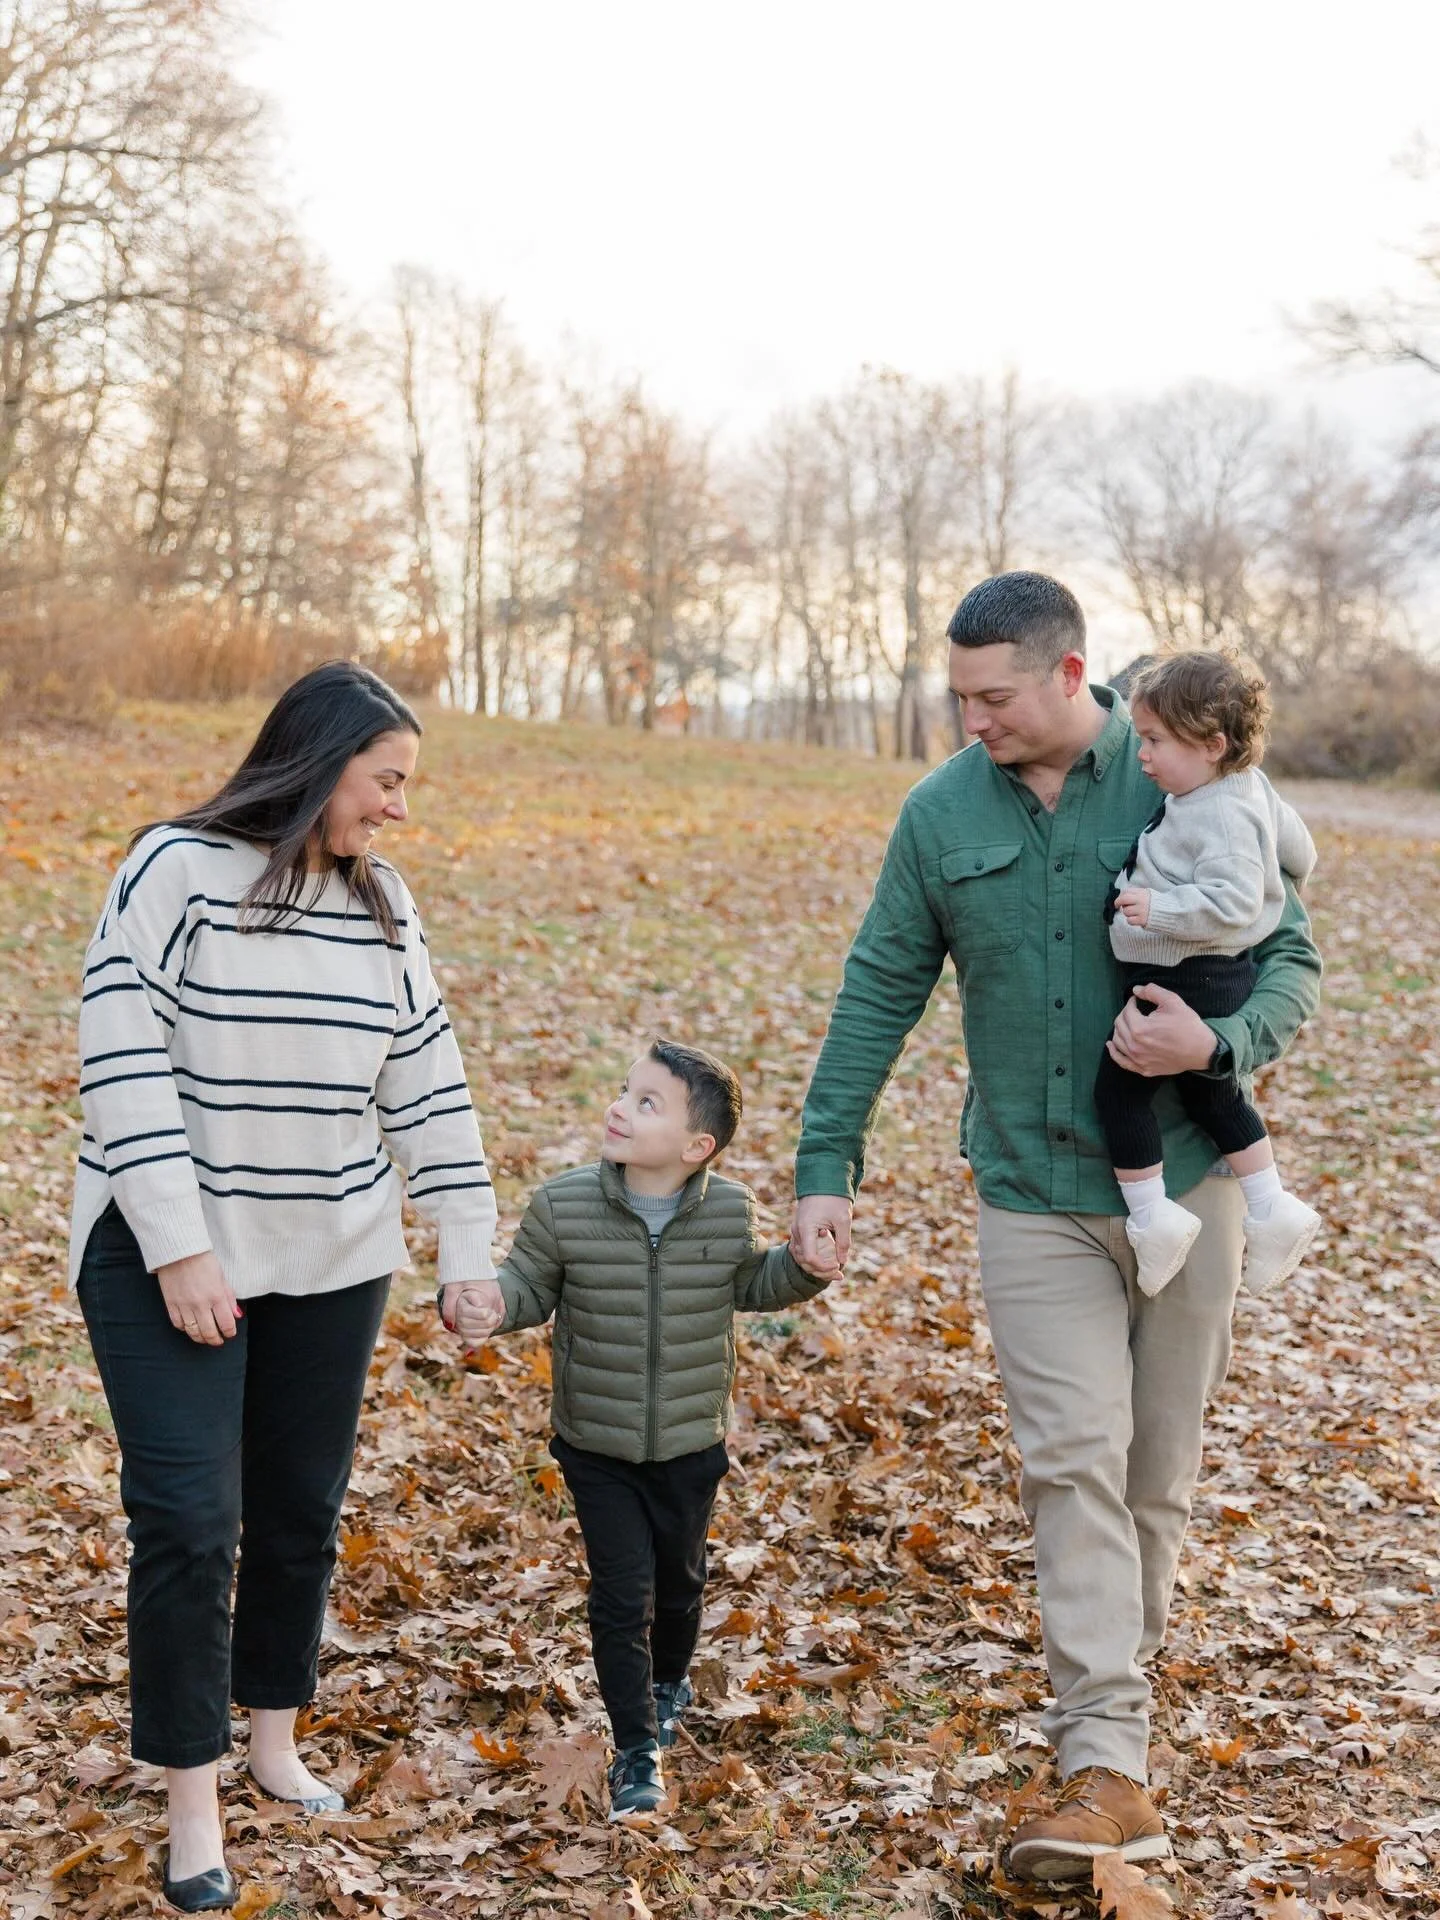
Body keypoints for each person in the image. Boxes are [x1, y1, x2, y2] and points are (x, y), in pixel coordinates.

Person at [788, 574, 1321, 1885]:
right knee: (1071, 1458)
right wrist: (824, 1162)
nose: (970, 721)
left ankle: (1112, 1711)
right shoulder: (940, 813)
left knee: (1155, 1477)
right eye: (956, 697)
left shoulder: (1175, 778)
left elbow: (1295, 954)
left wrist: (1223, 1037)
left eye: (994, 698)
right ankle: (1109, 1763)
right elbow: (880, 985)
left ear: (1069, 674)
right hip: (1032, 1192)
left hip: (1187, 1183)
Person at [71, 663, 498, 1911]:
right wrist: (176, 1243)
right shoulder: (173, 870)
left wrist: (463, 1243)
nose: (399, 811)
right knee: (194, 1522)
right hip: (171, 1252)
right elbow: (120, 1054)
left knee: (300, 1512)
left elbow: (429, 1077)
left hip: (331, 1251)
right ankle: (190, 1789)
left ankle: (271, 1741)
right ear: (318, 766)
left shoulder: (384, 905)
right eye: (387, 782)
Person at [443, 1040, 830, 1820]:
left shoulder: (726, 1209)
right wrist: (491, 1306)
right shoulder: (564, 1205)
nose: (619, 1106)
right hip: (597, 1442)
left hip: (691, 1440)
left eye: (647, 1101)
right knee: (623, 1595)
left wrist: (804, 1266)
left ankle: (668, 1680)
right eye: (625, 1091)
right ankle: (635, 1747)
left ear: (697, 1147)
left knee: (680, 1583)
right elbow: (527, 1287)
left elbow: (752, 1283)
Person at [1096, 649, 1321, 1297]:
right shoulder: (1237, 791)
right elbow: (1296, 844)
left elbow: (1233, 902)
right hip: (1199, 970)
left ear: (1213, 744)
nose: (1142, 756)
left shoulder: (1218, 809)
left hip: (1187, 974)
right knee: (1210, 1093)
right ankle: (1272, 1205)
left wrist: (1157, 906)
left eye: (1153, 741)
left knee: (1120, 1087)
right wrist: (1295, 867)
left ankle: (1153, 1215)